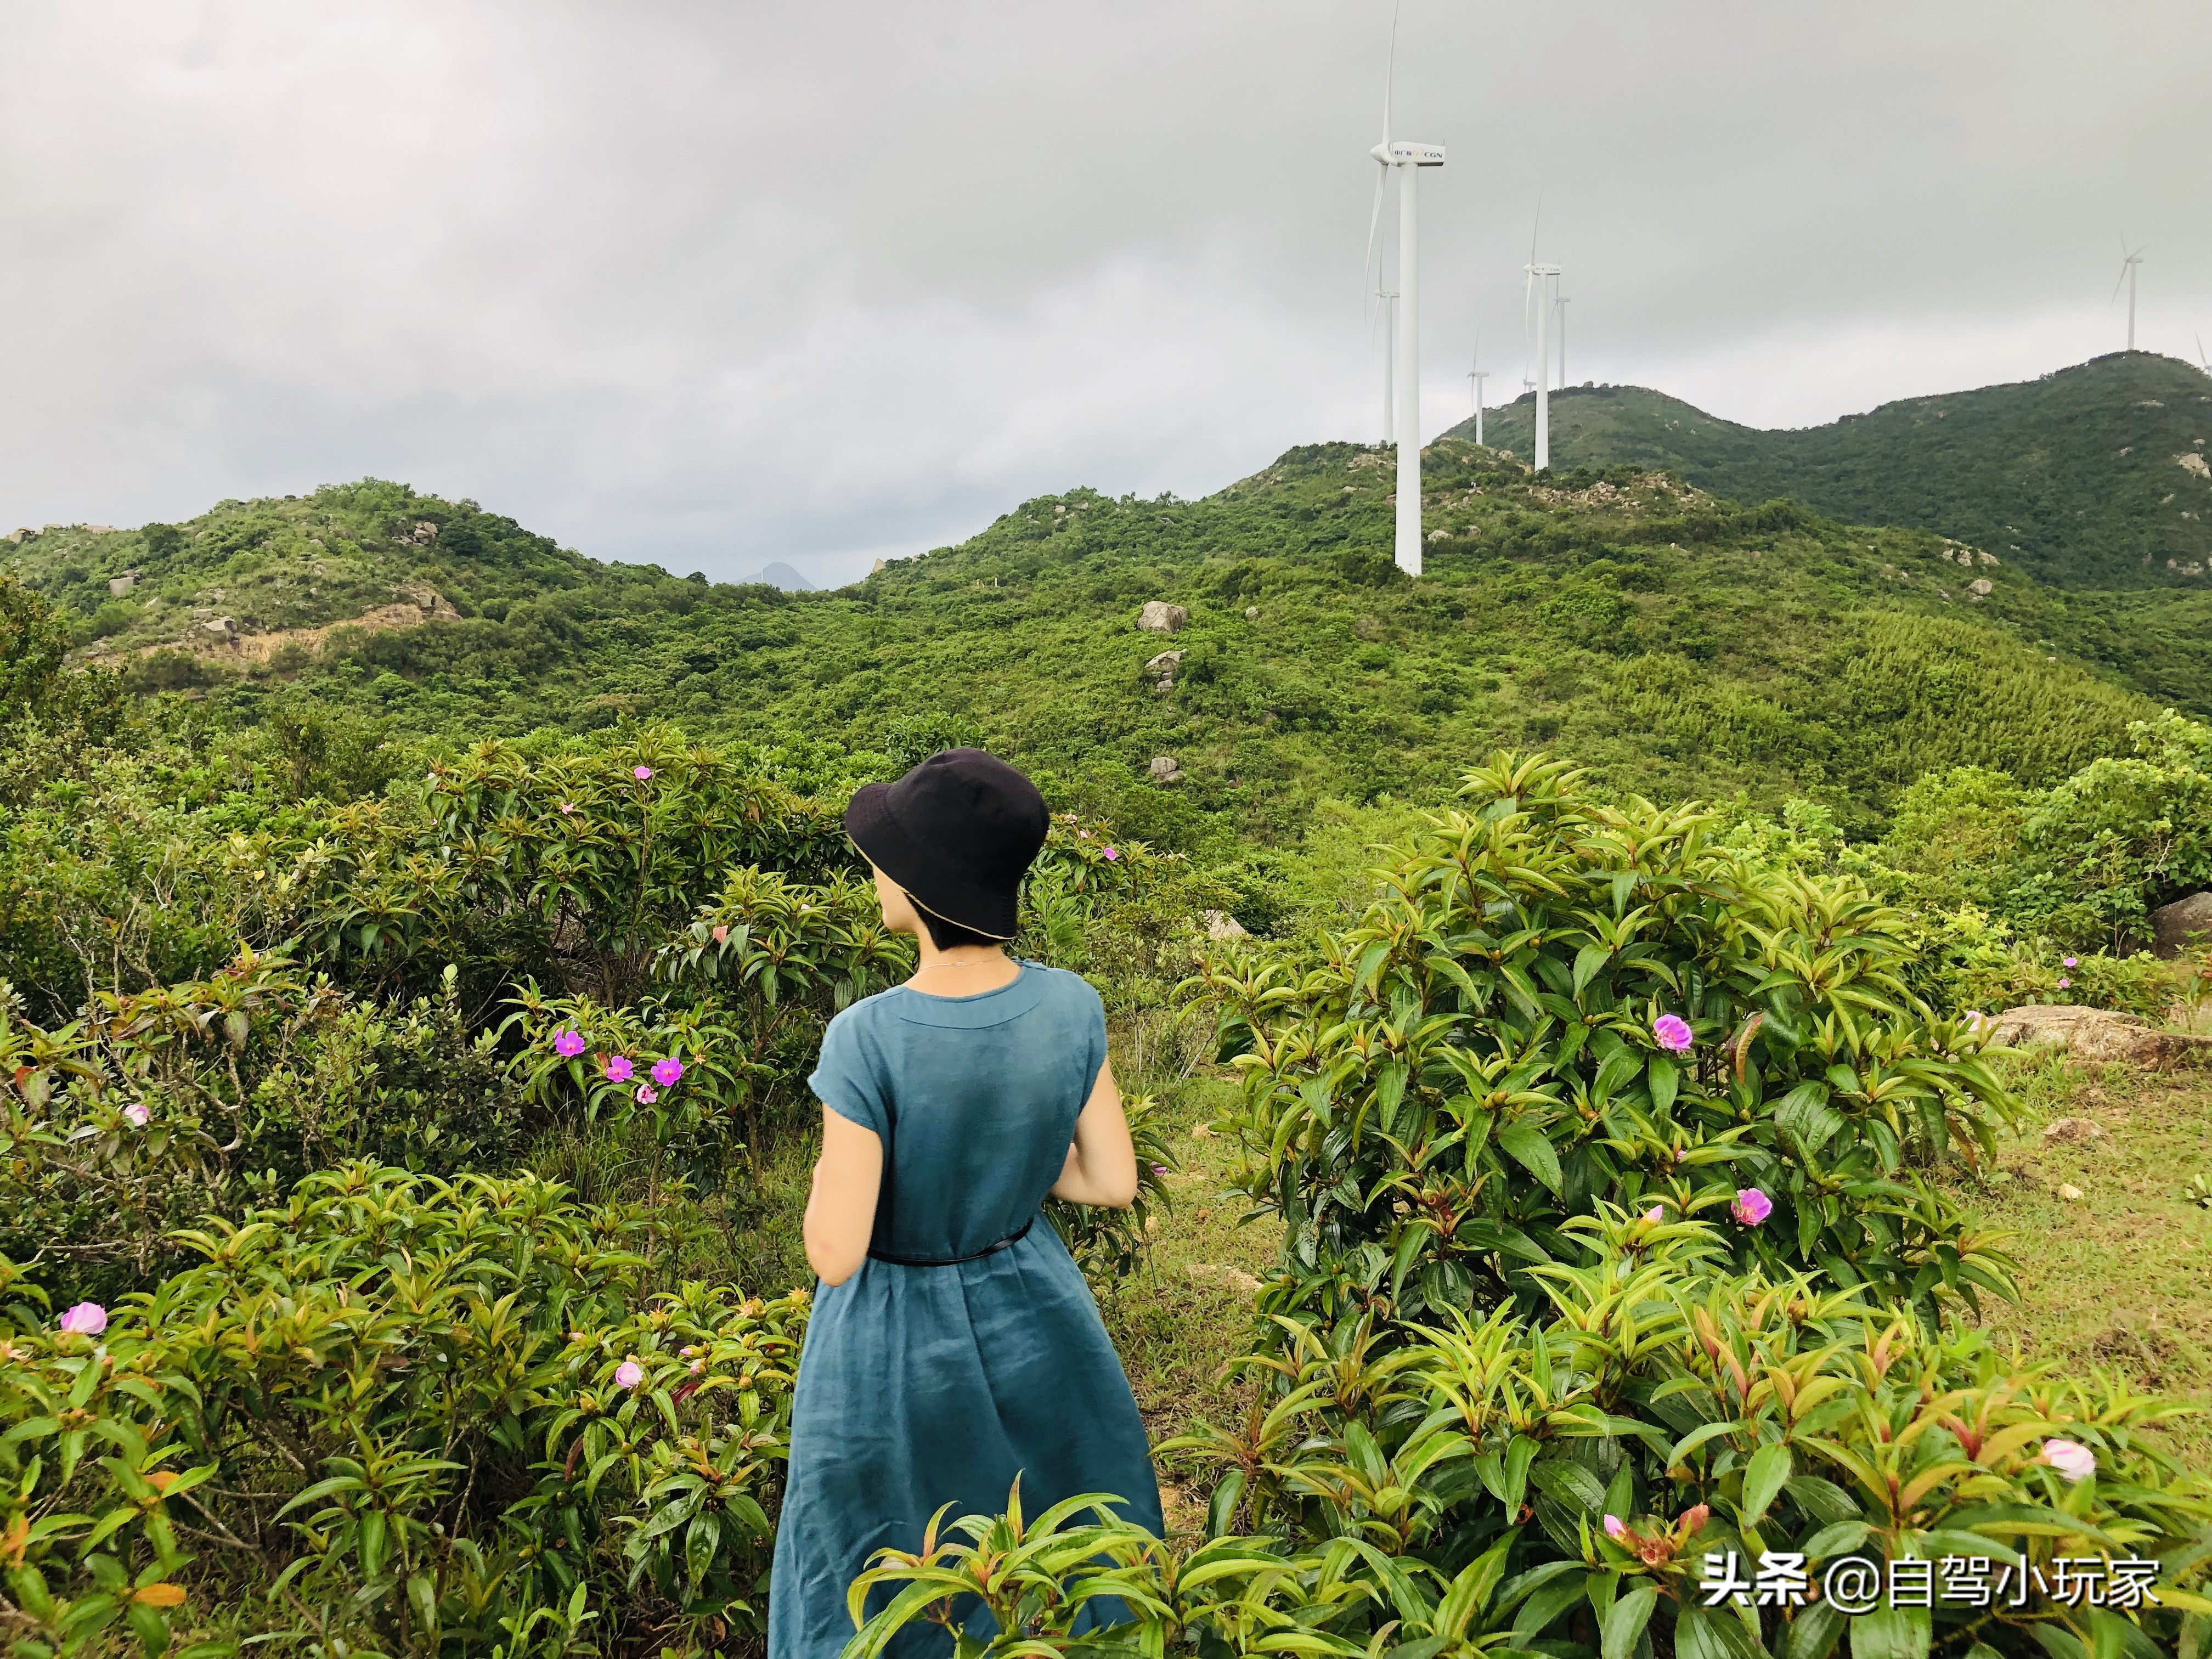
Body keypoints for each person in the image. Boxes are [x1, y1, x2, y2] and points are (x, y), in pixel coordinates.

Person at [768, 749, 1162, 1659]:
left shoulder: (865, 1035)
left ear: (917, 881)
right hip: (1038, 1310)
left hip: (893, 1347)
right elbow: (1109, 1181)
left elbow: (835, 1251)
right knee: (1057, 1550)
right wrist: (1009, 1163)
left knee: (881, 1573)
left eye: (885, 855)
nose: (875, 870)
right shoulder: (1073, 1005)